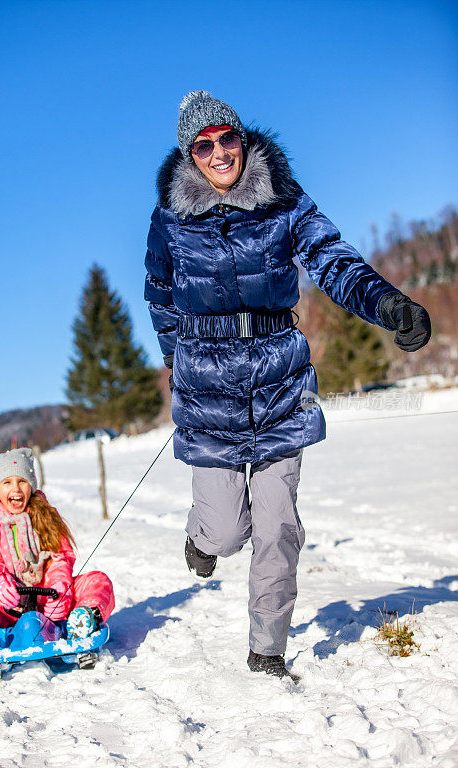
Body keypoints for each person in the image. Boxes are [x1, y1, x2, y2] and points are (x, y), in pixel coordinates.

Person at [144, 90, 431, 678]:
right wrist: (180, 363)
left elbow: (331, 258)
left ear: (243, 139)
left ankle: (266, 648)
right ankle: (203, 539)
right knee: (227, 530)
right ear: (188, 153)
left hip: (280, 377)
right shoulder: (169, 219)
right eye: (205, 145)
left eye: (229, 138)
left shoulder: (283, 198)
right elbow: (161, 296)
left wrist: (387, 303)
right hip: (209, 385)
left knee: (277, 525)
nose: (221, 152)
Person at [0, 447, 114, 653]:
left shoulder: (46, 516)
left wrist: (60, 590)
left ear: (32, 485)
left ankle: (82, 619)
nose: (16, 489)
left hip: (51, 603)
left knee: (97, 580)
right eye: (7, 482)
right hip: (9, 607)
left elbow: (60, 557)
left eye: (22, 481)